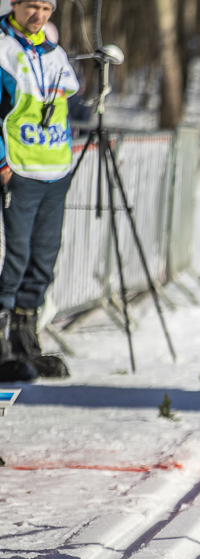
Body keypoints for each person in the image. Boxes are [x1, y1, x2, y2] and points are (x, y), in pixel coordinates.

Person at [0, 0, 79, 382]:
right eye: (32, 6)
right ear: (14, 4)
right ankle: (2, 342)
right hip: (19, 171)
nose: (40, 15)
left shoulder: (53, 49)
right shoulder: (3, 47)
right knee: (13, 258)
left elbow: (64, 104)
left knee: (43, 258)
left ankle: (25, 337)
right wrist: (2, 161)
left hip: (54, 170)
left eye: (47, 8)